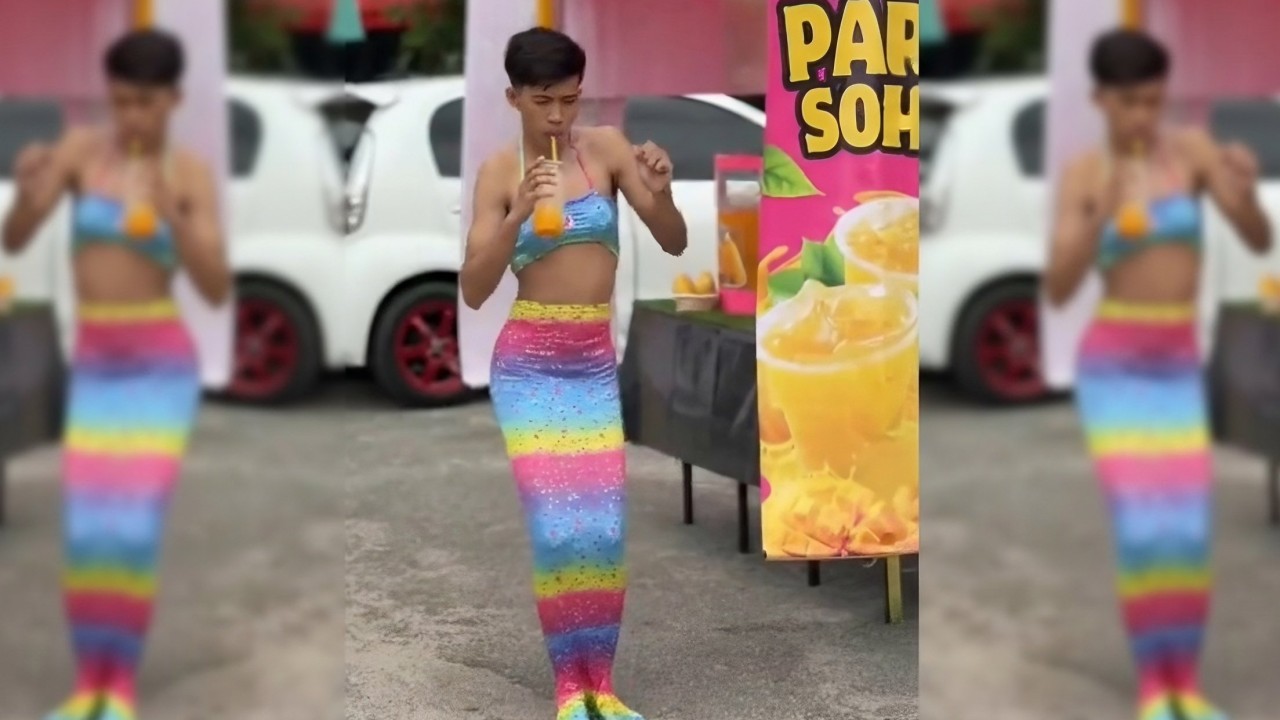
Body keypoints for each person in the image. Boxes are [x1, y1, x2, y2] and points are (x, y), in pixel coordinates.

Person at [1, 29, 230, 720]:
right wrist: (29, 192)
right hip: (98, 364)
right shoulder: (80, 152)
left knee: (131, 534)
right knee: (86, 534)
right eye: (122, 101)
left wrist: (174, 218)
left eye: (146, 104)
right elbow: (16, 237)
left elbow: (215, 286)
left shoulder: (188, 174)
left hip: (160, 367)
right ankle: (87, 686)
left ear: (173, 100)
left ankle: (119, 688)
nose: (132, 117)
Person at [460, 26, 687, 720]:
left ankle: (603, 688)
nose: (558, 116)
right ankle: (569, 688)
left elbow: (673, 240)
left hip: (590, 362)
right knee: (558, 531)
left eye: (569, 99)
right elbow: (473, 288)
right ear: (513, 98)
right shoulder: (500, 173)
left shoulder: (607, 150)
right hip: (529, 365)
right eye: (543, 101)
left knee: (603, 531)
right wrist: (518, 214)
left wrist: (661, 193)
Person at [1045, 29, 1270, 720]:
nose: (1143, 116)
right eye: (1129, 103)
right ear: (1100, 100)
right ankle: (1153, 687)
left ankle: (1186, 686)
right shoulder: (1085, 174)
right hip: (1114, 369)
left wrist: (1244, 193)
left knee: (1188, 534)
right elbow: (1058, 287)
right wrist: (1100, 216)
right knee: (1144, 534)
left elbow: (1257, 237)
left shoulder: (1193, 152)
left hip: (1175, 366)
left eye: (1153, 101)